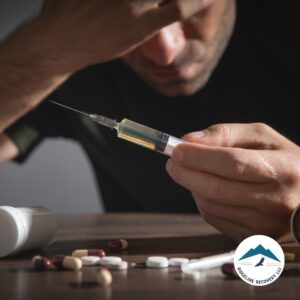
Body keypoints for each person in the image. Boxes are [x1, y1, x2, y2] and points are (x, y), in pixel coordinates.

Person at [0, 0, 300, 243]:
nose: (164, 53)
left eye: (186, 8)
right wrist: (39, 50)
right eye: (127, 20)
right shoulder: (78, 55)